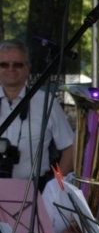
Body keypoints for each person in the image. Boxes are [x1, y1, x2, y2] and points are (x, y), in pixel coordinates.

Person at [0, 39, 74, 189]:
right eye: (4, 65)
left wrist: (57, 184)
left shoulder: (47, 102)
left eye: (18, 64)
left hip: (35, 190)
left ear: (28, 67)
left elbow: (70, 147)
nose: (11, 69)